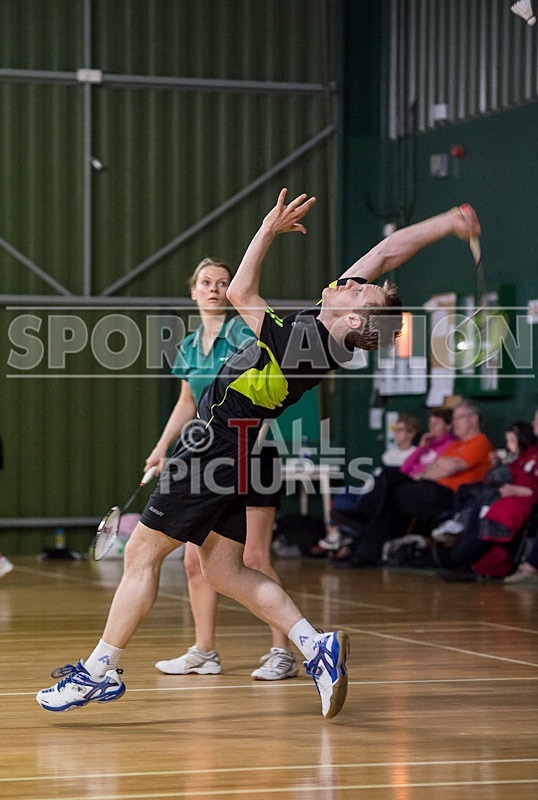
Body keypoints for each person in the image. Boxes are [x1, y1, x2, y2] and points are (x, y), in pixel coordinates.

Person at [36, 189, 481, 719]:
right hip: (240, 450)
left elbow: (242, 289)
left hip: (216, 446)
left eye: (362, 293)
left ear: (358, 322)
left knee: (141, 555)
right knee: (225, 572)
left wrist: (268, 227)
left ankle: (97, 672)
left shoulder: (306, 342)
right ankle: (315, 647)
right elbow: (385, 254)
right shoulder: (329, 320)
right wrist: (449, 222)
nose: (353, 282)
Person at [145, 257, 297, 681]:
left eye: (223, 283)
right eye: (206, 282)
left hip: (253, 452)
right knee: (195, 563)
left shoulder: (243, 333)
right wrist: (161, 449)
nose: (214, 288)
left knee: (253, 556)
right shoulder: (190, 345)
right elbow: (187, 403)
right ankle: (204, 651)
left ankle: (281, 651)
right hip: (206, 459)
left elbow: (273, 378)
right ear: (193, 291)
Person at [336, 399, 493, 567]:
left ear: (474, 419)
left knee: (388, 496)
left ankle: (363, 521)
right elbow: (435, 466)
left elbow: (450, 468)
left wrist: (433, 471)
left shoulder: (480, 442)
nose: (455, 422)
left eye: (459, 417)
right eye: (454, 418)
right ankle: (365, 549)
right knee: (387, 476)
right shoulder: (455, 445)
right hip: (429, 487)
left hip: (449, 495)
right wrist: (434, 469)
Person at [435, 419, 538, 581]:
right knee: (478, 500)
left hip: (523, 501)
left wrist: (519, 490)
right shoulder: (525, 456)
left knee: (492, 512)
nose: (535, 423)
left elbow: (528, 484)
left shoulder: (532, 456)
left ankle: (460, 558)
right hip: (508, 495)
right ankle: (461, 554)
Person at [315, 412, 420, 554]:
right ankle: (338, 534)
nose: (396, 434)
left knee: (362, 502)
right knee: (344, 492)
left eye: (400, 430)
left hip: (386, 494)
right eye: (395, 430)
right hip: (371, 484)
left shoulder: (414, 454)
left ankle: (339, 536)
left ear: (411, 433)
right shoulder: (389, 453)